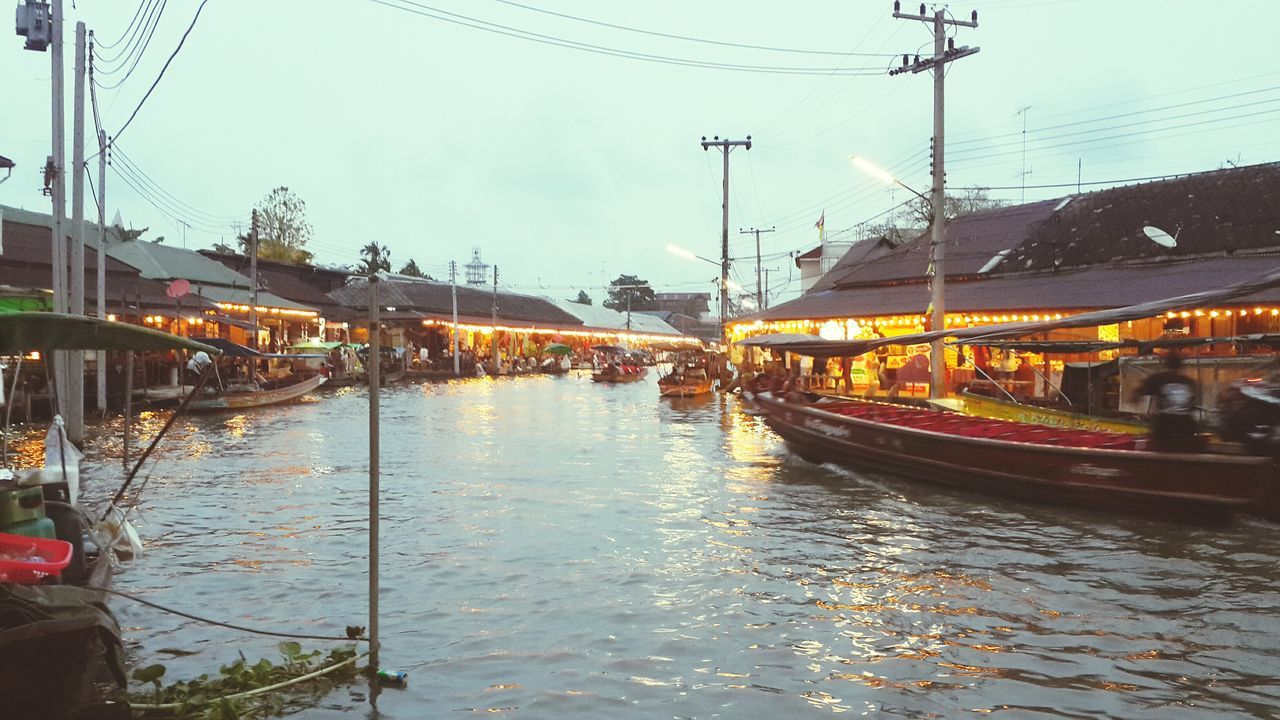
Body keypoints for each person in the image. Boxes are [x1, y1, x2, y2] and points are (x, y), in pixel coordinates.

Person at [1132, 351, 1203, 452]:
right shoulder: (1189, 382)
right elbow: (1192, 405)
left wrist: (1137, 403)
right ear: (1181, 365)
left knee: (1159, 448)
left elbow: (1137, 393)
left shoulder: (1159, 378)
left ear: (1166, 363)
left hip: (1165, 425)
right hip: (1187, 425)